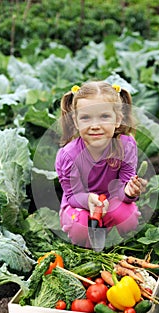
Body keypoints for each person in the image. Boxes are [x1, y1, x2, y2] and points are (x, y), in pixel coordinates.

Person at [55, 81, 147, 248]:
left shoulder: (126, 147)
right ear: (76, 122)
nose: (95, 126)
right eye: (86, 118)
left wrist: (128, 191)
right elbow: (73, 195)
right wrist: (88, 199)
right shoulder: (69, 156)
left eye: (104, 117)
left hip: (112, 200)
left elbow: (122, 190)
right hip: (79, 204)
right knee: (79, 226)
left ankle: (115, 247)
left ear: (118, 119)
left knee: (127, 216)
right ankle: (86, 249)